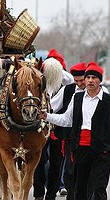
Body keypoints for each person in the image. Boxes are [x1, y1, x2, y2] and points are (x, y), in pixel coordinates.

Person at [39, 61, 110, 200]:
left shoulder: (107, 99)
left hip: (101, 150)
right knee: (80, 187)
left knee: (98, 187)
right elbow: (66, 120)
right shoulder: (77, 98)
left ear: (99, 81)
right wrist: (47, 116)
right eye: (88, 77)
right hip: (81, 149)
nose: (90, 80)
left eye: (94, 78)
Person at [33, 49, 72, 200]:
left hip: (59, 128)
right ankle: (38, 193)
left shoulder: (65, 84)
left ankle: (51, 193)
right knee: (39, 161)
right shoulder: (40, 84)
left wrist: (56, 67)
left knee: (56, 163)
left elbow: (70, 78)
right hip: (40, 127)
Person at [51, 62, 87, 200]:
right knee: (70, 172)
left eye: (81, 80)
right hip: (71, 139)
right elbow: (54, 108)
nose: (79, 84)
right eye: (76, 81)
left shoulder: (102, 93)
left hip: (91, 141)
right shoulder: (67, 90)